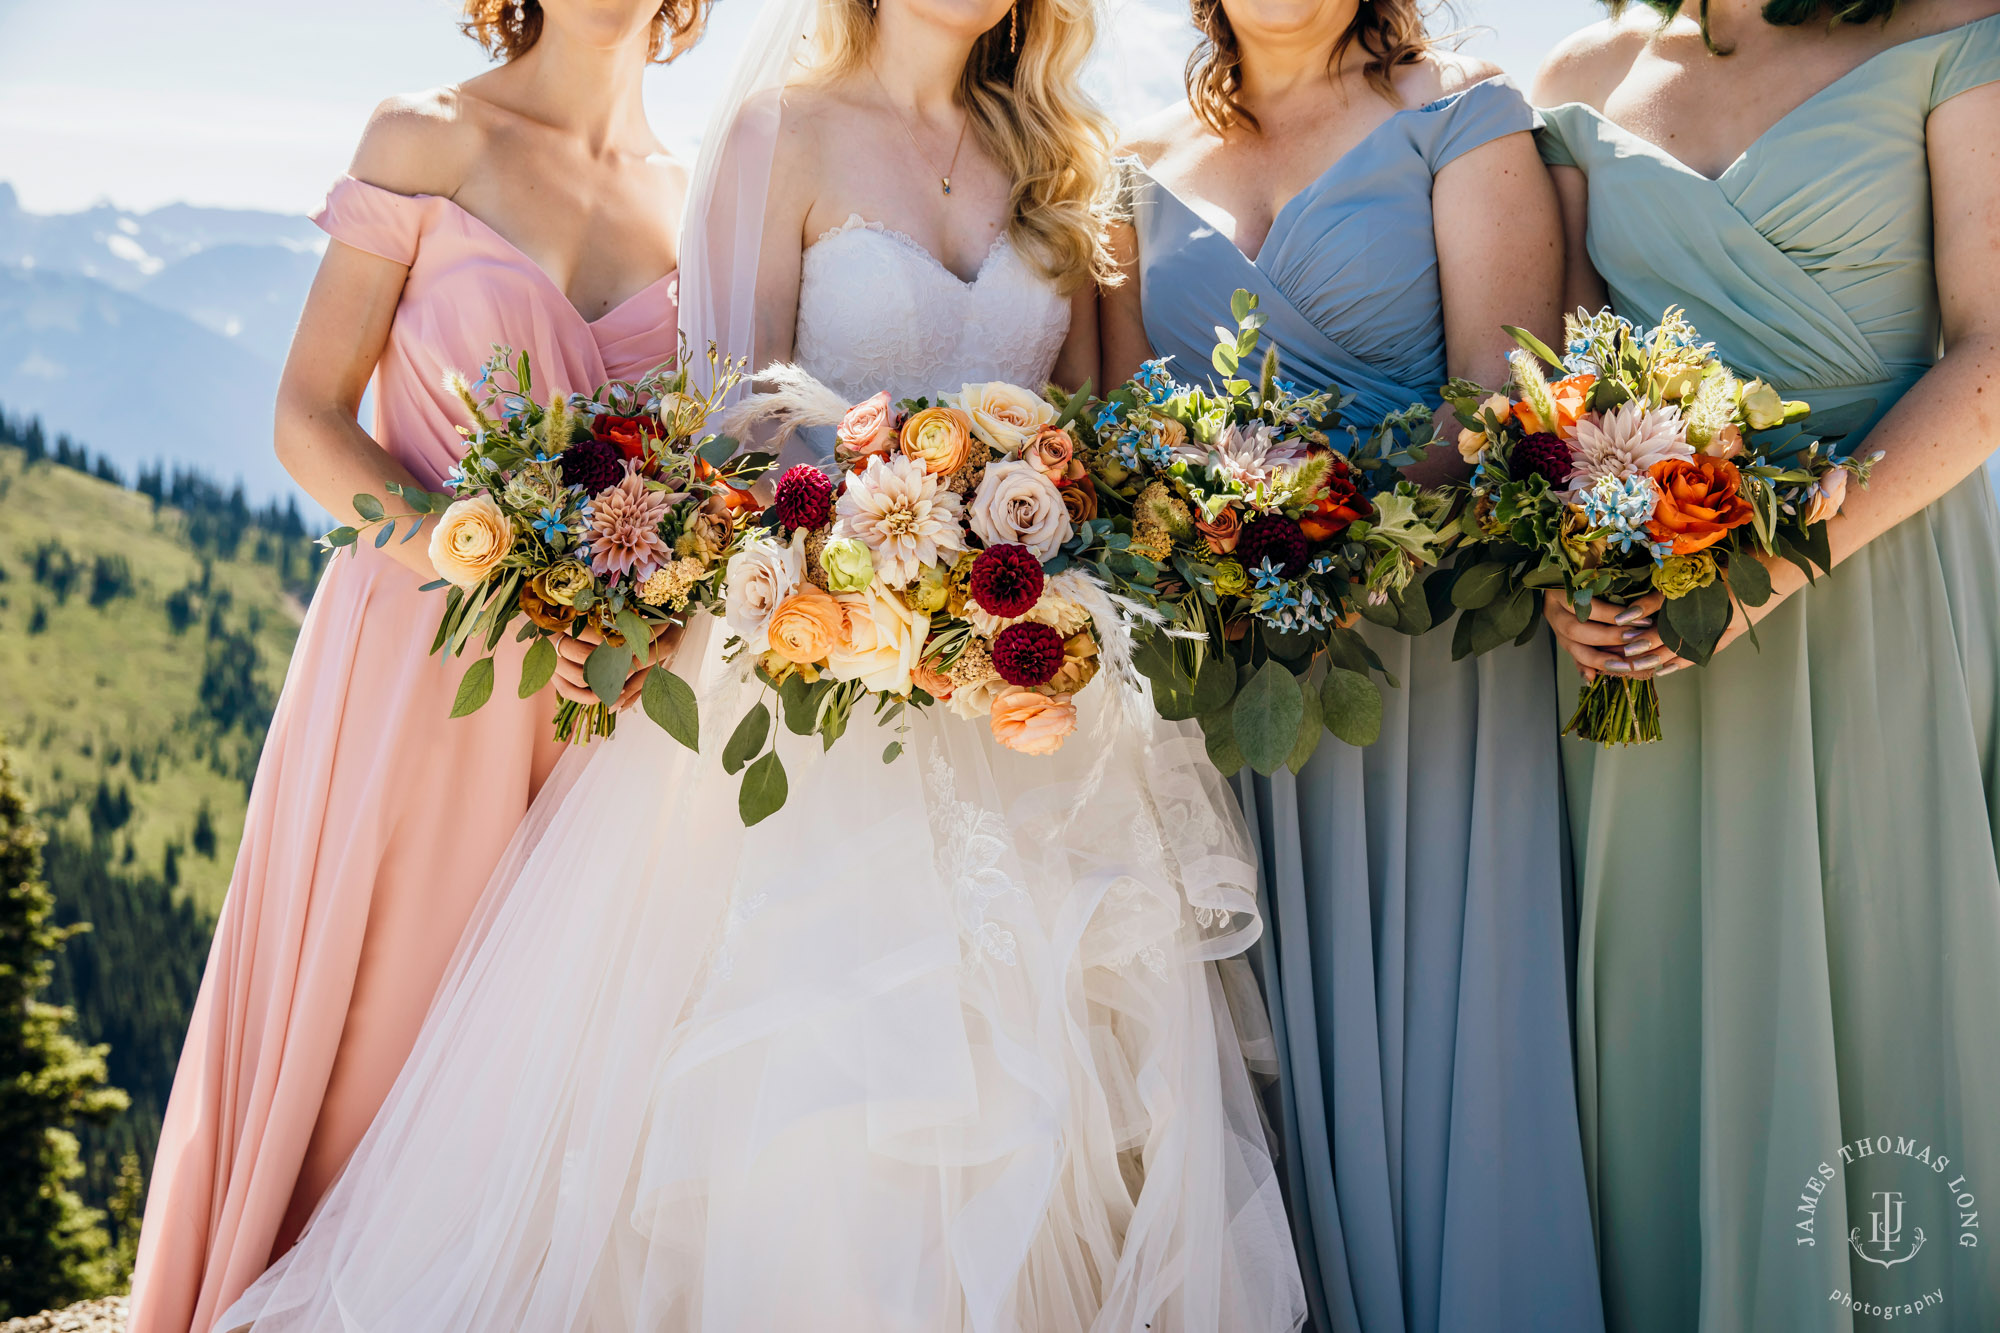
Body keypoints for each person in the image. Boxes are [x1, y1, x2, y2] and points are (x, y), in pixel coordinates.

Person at [211, 0, 1307, 1326]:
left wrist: (1031, 564)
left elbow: (1097, 443)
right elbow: (724, 443)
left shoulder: (1066, 160)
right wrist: (872, 571)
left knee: (1060, 1111)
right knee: (826, 1118)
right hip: (820, 704)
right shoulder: (770, 136)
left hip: (1027, 712)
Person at [128, 3, 695, 1329]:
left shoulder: (696, 195)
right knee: (370, 1050)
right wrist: (484, 557)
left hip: (599, 710)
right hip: (417, 670)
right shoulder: (426, 136)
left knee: (536, 1076)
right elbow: (307, 415)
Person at [1100, 4, 1603, 1330]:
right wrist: (1220, 556)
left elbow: (1501, 406)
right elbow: (1112, 438)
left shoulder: (1461, 115)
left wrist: (1326, 554)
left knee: (1454, 1065)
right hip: (1225, 689)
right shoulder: (1124, 162)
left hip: (1425, 669)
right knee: (1248, 1073)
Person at [1533, 0, 2000, 1326]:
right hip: (1651, 641)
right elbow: (1561, 393)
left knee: (1901, 984)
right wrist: (1567, 572)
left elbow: (1993, 347)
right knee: (1668, 1015)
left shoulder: (1960, 31)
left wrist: (1783, 561)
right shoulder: (1582, 77)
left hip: (1880, 585)